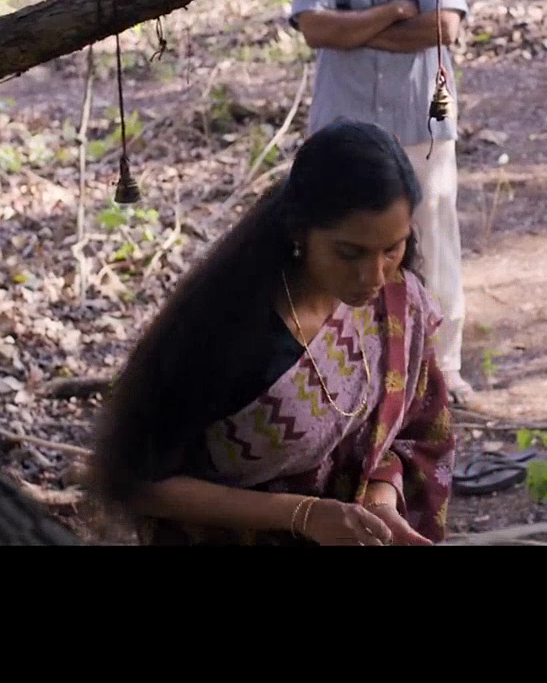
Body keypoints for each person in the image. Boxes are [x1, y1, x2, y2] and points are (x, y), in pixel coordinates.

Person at [91, 119, 457, 545]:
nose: (373, 276)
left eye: (392, 249)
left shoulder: (396, 307)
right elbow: (138, 482)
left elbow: (413, 432)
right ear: (299, 230)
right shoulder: (228, 330)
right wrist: (302, 514)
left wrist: (379, 503)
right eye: (349, 252)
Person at [287, 0, 475, 404]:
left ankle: (443, 371)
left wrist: (354, 28)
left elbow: (444, 27)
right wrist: (394, 12)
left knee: (432, 236)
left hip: (421, 118)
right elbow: (315, 28)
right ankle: (346, 371)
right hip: (342, 127)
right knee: (341, 245)